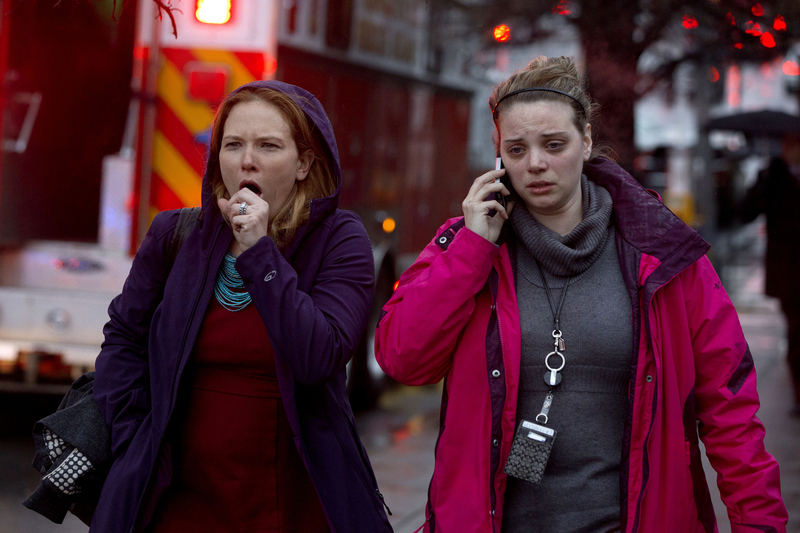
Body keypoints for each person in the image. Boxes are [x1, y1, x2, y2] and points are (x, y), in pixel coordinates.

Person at [375, 56, 787, 532]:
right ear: (497, 156)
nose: (536, 164)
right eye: (516, 149)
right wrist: (472, 249)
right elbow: (402, 359)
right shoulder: (467, 246)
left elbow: (731, 410)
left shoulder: (665, 255)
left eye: (554, 144)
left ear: (586, 140)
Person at [91, 80, 393, 532]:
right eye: (232, 145)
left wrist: (259, 252)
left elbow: (320, 355)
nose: (246, 159)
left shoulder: (339, 239)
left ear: (304, 163)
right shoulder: (175, 234)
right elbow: (123, 339)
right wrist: (135, 436)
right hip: (177, 497)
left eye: (268, 146)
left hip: (291, 498)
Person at [740, 133, 800, 416]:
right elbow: (746, 211)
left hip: (789, 270)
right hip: (790, 272)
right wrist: (763, 182)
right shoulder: (775, 176)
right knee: (796, 334)